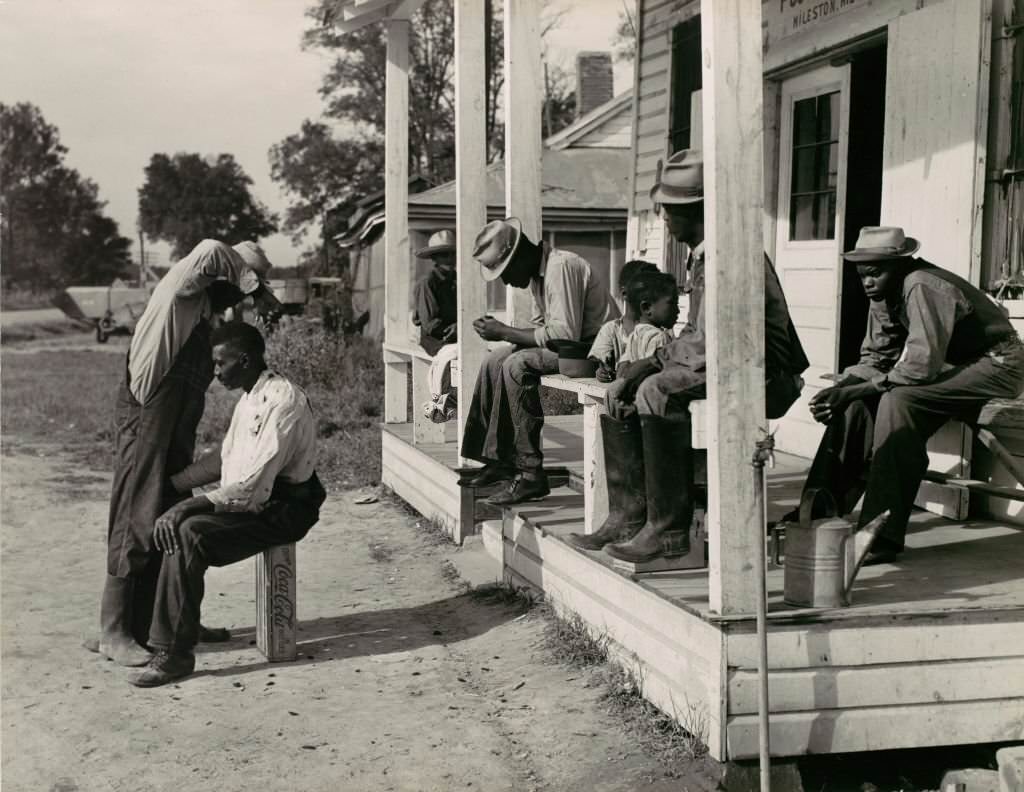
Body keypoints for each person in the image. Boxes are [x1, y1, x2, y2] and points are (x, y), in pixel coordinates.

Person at [586, 149, 808, 563]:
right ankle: (630, 514)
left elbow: (709, 342)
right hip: (731, 361)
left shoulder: (731, 256)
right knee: (624, 391)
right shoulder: (705, 255)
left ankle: (667, 530)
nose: (666, 220)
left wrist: (649, 364)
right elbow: (696, 334)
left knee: (655, 389)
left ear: (698, 210)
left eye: (672, 210)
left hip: (764, 372)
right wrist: (634, 370)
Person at [90, 239, 281, 667]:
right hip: (147, 420)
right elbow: (213, 248)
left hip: (174, 427)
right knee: (135, 514)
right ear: (227, 276)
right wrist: (255, 287)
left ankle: (167, 623)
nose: (237, 300)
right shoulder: (181, 291)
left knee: (168, 513)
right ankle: (114, 629)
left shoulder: (203, 315)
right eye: (238, 287)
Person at [788, 225, 1024, 564]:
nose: (867, 282)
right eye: (862, 275)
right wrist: (841, 390)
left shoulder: (922, 285)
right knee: (857, 403)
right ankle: (817, 515)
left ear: (899, 264)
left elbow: (920, 368)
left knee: (900, 402)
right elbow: (876, 358)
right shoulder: (883, 293)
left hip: (1001, 364)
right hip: (956, 368)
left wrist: (862, 387)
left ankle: (880, 534)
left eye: (875, 273)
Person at [129, 322, 325, 687]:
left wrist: (186, 507)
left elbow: (250, 490)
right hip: (262, 500)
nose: (215, 372)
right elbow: (226, 458)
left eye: (221, 364)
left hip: (287, 509)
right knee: (171, 518)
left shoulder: (282, 403)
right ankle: (178, 623)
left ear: (245, 359)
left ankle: (175, 653)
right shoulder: (251, 395)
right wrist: (171, 488)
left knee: (189, 532)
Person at [461, 218, 618, 506]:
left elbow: (563, 332)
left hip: (598, 352)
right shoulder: (538, 275)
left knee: (515, 366)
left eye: (506, 272)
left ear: (520, 253)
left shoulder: (560, 267)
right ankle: (496, 458)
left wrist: (505, 331)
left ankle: (531, 473)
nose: (507, 281)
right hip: (572, 349)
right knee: (494, 360)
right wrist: (505, 337)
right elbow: (541, 329)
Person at [587, 259, 661, 382]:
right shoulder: (611, 330)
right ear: (625, 293)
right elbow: (601, 363)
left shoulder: (659, 331)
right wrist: (602, 372)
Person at [413, 229, 459, 356]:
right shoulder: (427, 283)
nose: (450, 259)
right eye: (444, 255)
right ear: (434, 258)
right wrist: (458, 329)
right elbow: (431, 325)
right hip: (436, 340)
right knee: (456, 356)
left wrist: (460, 327)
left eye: (453, 254)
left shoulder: (459, 280)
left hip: (458, 337)